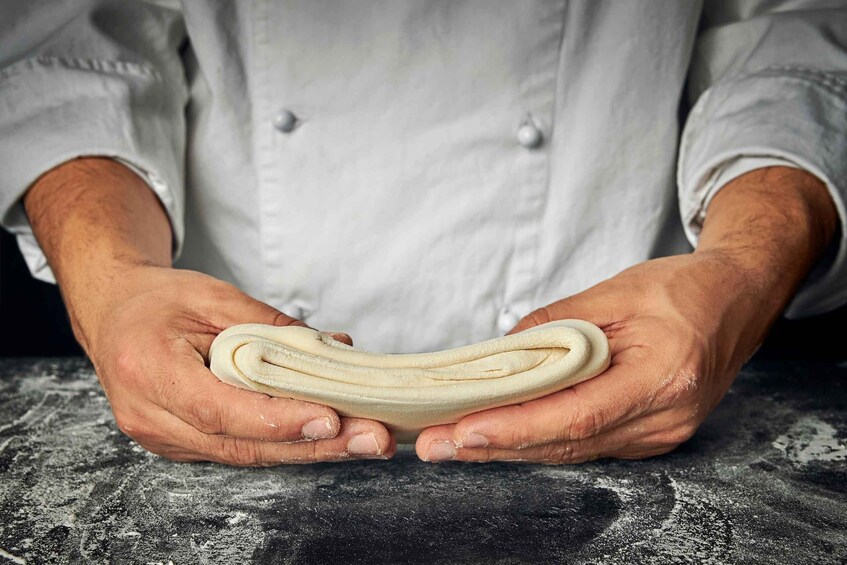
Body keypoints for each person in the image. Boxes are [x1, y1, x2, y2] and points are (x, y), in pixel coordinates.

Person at [1, 1, 844, 466]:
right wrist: (109, 280)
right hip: (231, 359)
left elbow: (794, 32)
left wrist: (740, 266)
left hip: (630, 360)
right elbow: (67, 39)